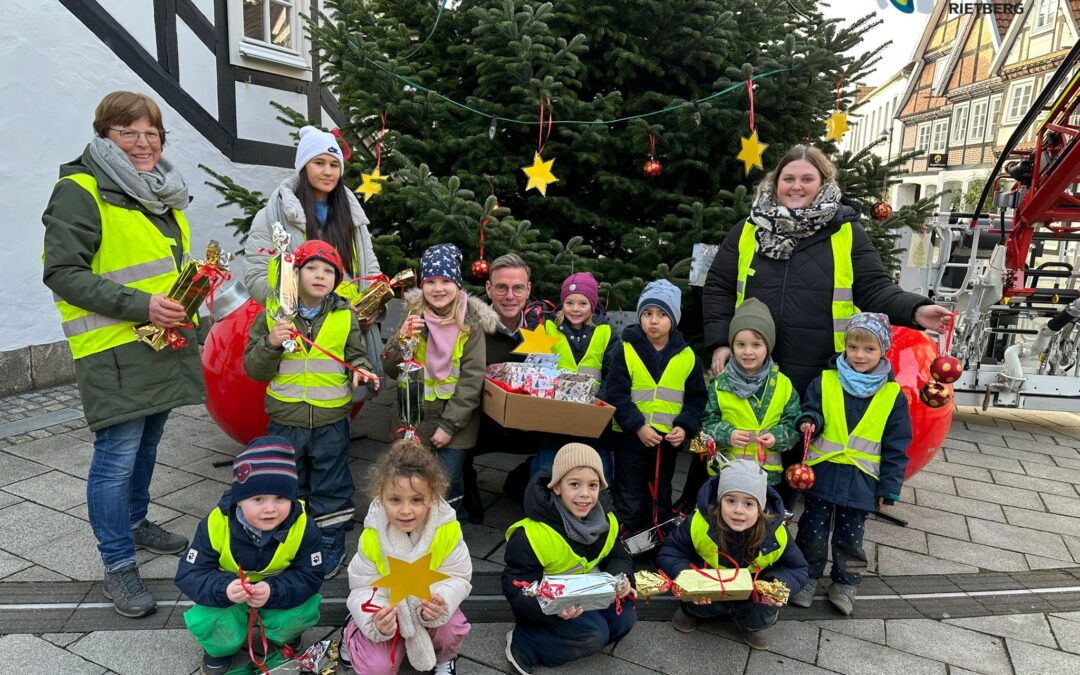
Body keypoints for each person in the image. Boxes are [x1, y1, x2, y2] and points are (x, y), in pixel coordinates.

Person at [42, 91, 202, 617]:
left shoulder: (158, 194)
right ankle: (117, 566)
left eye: (151, 133)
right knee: (115, 459)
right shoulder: (81, 190)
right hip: (114, 347)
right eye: (128, 132)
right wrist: (141, 305)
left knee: (148, 444)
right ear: (104, 135)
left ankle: (135, 523)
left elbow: (164, 268)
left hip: (161, 343)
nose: (143, 143)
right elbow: (63, 273)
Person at [702, 144, 953, 398]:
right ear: (776, 183)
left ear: (822, 183)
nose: (796, 186)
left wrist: (916, 310)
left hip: (824, 376)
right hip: (754, 371)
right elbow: (719, 288)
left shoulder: (846, 232)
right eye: (788, 178)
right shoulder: (748, 229)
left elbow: (875, 288)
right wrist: (721, 342)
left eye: (807, 179)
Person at [243, 240, 379, 578]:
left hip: (332, 419)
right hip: (285, 419)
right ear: (296, 273)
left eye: (329, 271)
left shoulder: (345, 315)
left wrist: (359, 369)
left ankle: (330, 537)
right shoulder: (273, 314)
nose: (320, 276)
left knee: (331, 482)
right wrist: (272, 342)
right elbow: (254, 369)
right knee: (290, 481)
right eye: (312, 268)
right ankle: (293, 536)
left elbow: (355, 355)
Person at [244, 125, 385, 390]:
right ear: (304, 166)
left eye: (334, 164)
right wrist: (298, 304)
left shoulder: (352, 218)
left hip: (345, 326)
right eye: (319, 162)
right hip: (298, 328)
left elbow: (370, 269)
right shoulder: (272, 215)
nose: (328, 171)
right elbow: (255, 275)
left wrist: (371, 307)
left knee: (340, 397)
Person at [790, 313, 911, 616]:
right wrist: (808, 422)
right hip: (823, 473)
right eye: (853, 347)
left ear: (883, 351)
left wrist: (890, 487)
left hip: (862, 479)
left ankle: (846, 581)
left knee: (851, 535)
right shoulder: (826, 381)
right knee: (812, 530)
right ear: (844, 347)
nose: (859, 355)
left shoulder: (892, 395)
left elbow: (896, 445)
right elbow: (812, 409)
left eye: (869, 349)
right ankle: (807, 575)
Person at [174, 437, 324, 675]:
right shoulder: (215, 523)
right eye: (258, 499)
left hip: (277, 592)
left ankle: (286, 636)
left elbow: (311, 575)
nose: (270, 508)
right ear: (238, 499)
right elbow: (189, 573)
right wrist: (223, 589)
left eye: (281, 498)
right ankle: (220, 648)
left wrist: (273, 591)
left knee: (302, 609)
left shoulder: (304, 525)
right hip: (230, 596)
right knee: (210, 618)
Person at [502, 443, 637, 674]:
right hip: (549, 604)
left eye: (592, 485)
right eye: (574, 484)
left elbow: (617, 553)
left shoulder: (608, 520)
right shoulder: (532, 534)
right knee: (594, 635)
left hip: (589, 592)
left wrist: (623, 578)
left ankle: (570, 635)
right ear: (556, 487)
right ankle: (526, 641)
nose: (584, 494)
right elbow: (516, 586)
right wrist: (549, 608)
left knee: (625, 619)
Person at [384, 244, 496, 518]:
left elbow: (472, 379)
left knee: (447, 482)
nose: (438, 288)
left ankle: (446, 529)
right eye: (430, 281)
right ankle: (412, 529)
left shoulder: (470, 324)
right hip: (414, 418)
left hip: (455, 422)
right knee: (411, 479)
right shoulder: (413, 316)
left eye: (446, 281)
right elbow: (389, 368)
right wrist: (402, 338)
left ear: (457, 284)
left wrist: (449, 425)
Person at [343, 440, 472, 675]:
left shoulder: (446, 530)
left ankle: (445, 659)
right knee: (377, 667)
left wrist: (440, 602)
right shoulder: (373, 536)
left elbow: (459, 576)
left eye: (416, 500)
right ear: (380, 497)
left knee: (450, 628)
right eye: (395, 500)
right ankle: (352, 634)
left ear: (432, 497)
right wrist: (376, 619)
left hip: (425, 606)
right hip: (389, 608)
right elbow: (361, 587)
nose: (405, 510)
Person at [657, 460, 808, 650]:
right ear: (719, 502)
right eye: (730, 501)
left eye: (748, 503)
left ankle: (753, 623)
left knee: (760, 611)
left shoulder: (776, 533)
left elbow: (798, 569)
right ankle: (692, 610)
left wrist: (779, 584)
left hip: (754, 589)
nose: (738, 510)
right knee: (698, 602)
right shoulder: (698, 523)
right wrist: (688, 579)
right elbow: (670, 553)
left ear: (761, 508)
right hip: (710, 583)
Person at [606, 280, 707, 536]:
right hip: (631, 437)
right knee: (628, 489)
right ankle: (624, 535)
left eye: (662, 314)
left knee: (660, 490)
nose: (654, 320)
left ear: (673, 319)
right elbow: (616, 393)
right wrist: (637, 426)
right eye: (648, 313)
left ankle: (656, 536)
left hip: (666, 441)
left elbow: (696, 399)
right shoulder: (626, 348)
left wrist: (684, 427)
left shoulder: (687, 357)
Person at [463, 253, 551, 523]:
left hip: (531, 423)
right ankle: (464, 485)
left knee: (567, 436)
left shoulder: (546, 330)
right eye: (501, 287)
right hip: (481, 422)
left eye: (517, 288)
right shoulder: (468, 326)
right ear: (489, 289)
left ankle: (525, 479)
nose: (509, 295)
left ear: (528, 290)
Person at [701, 298, 800, 485]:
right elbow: (706, 424)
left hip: (766, 476)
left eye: (756, 345)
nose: (748, 352)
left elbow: (794, 424)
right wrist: (727, 434)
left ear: (768, 347)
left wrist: (777, 437)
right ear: (732, 346)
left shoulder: (783, 385)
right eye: (740, 345)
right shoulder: (720, 384)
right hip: (725, 472)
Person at [532, 272, 619, 481]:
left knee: (600, 466)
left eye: (582, 303)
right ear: (562, 303)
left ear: (593, 305)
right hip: (554, 414)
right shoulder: (548, 328)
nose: (575, 309)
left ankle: (602, 505)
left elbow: (613, 373)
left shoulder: (605, 333)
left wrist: (601, 403)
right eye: (569, 303)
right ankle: (541, 502)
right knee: (547, 465)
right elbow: (536, 368)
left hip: (592, 414)